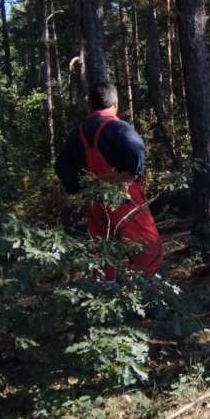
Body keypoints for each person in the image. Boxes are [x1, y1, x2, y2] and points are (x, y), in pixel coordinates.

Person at [54, 82, 163, 283]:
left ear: (92, 106)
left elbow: (61, 166)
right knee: (145, 245)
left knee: (103, 250)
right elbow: (136, 147)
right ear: (115, 103)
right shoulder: (118, 127)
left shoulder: (77, 133)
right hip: (124, 198)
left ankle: (106, 296)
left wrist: (79, 188)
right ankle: (150, 301)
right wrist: (133, 171)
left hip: (95, 201)